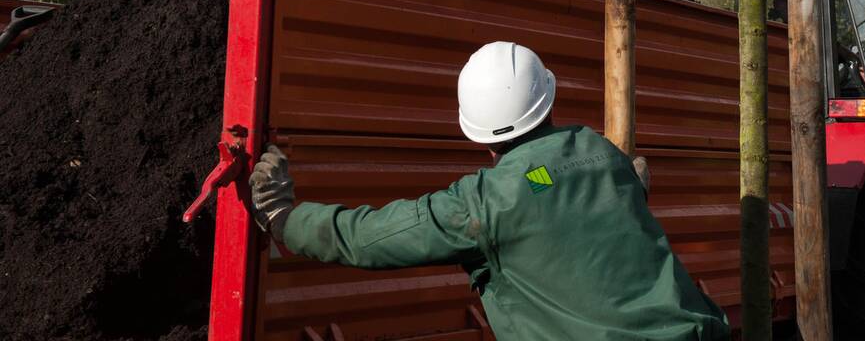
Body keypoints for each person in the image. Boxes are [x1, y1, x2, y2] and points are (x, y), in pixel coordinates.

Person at [250, 41, 730, 340]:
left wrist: (284, 217)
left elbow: (369, 237)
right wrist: (628, 182)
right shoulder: (602, 153)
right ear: (547, 99)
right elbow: (579, 196)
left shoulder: (484, 203)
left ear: (475, 134)